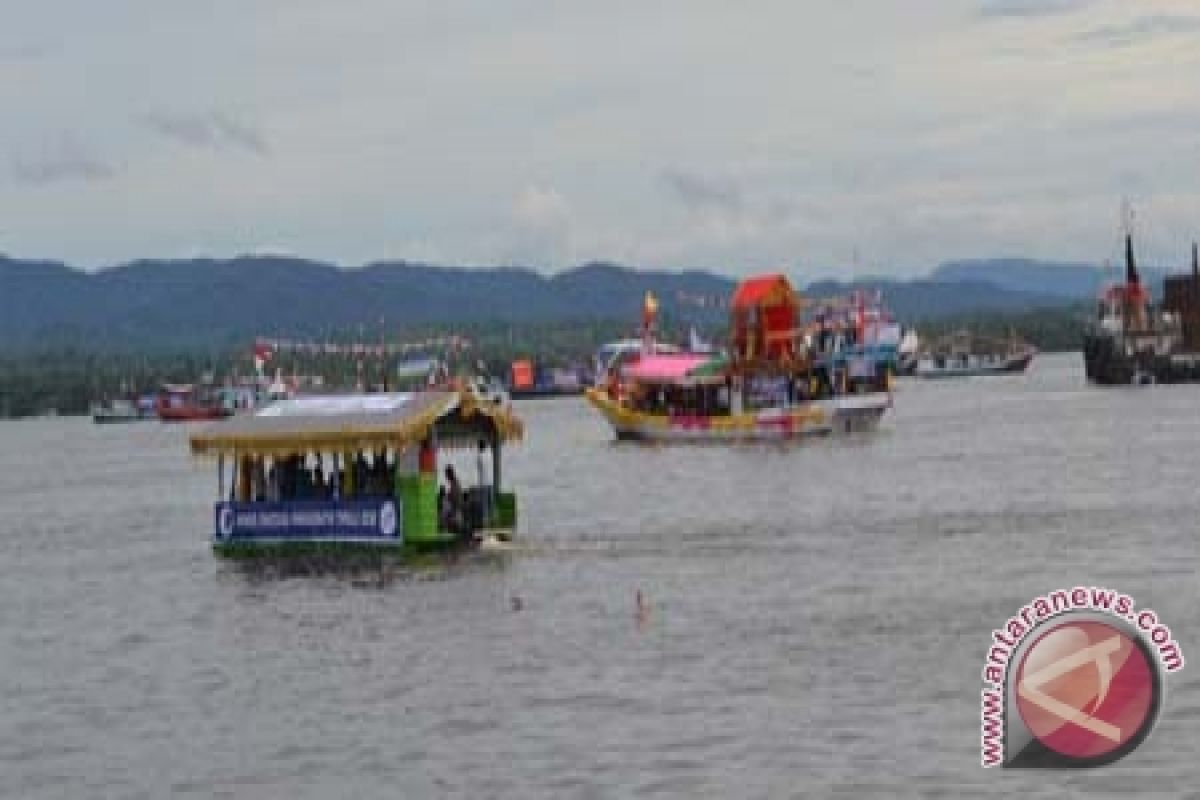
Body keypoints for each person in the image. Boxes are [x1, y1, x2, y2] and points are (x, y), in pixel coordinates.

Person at [442, 464, 466, 537]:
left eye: (446, 475)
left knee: (445, 513)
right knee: (445, 509)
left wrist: (447, 497)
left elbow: (455, 496)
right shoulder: (455, 482)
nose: (446, 477)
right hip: (456, 506)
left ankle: (450, 530)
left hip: (456, 507)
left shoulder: (454, 483)